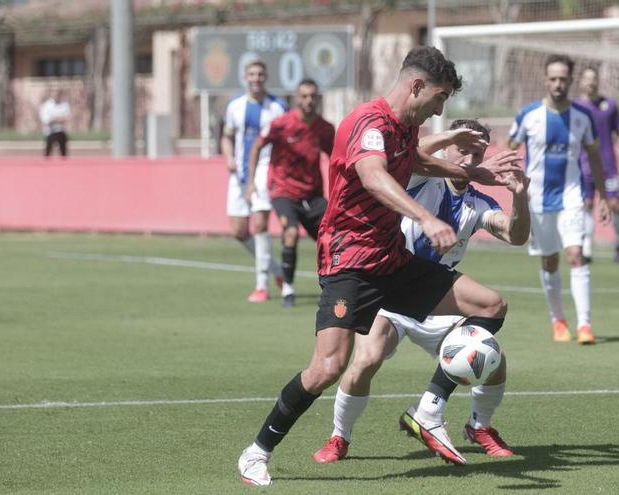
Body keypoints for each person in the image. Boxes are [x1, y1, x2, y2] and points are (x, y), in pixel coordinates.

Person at [236, 46, 523, 486]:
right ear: (416, 86)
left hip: (392, 260)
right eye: (440, 98)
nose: (440, 109)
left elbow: (417, 161)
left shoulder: (406, 128)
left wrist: (475, 174)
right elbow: (373, 175)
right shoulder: (368, 122)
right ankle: (257, 451)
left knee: (490, 305)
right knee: (328, 368)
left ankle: (429, 408)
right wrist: (424, 217)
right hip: (348, 262)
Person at [312, 118, 530, 466]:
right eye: (463, 150)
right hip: (394, 290)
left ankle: (478, 426)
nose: (470, 162)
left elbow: (516, 235)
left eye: (478, 154)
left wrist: (520, 198)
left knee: (492, 358)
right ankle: (340, 435)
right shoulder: (417, 177)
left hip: (439, 298)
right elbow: (414, 153)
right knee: (365, 361)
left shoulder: (478, 203)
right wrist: (445, 139)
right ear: (447, 148)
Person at [508, 54, 611, 346]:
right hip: (538, 200)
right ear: (545, 80)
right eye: (553, 78)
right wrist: (516, 192)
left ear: (570, 81)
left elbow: (595, 156)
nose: (558, 84)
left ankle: (585, 324)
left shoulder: (583, 117)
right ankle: (558, 321)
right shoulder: (528, 115)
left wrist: (603, 196)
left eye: (563, 79)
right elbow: (511, 149)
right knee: (550, 261)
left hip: (571, 197)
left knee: (576, 254)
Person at [246, 79, 335, 307]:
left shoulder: (324, 129)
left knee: (332, 238)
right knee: (291, 233)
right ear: (297, 98)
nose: (308, 101)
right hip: (283, 191)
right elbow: (257, 145)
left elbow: (336, 159)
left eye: (313, 96)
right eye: (304, 96)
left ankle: (332, 286)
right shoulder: (281, 124)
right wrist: (250, 182)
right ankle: (287, 287)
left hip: (313, 195)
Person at [221, 60, 286, 303]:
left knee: (259, 225)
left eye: (260, 74)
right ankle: (277, 271)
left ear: (266, 77)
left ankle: (262, 286)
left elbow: (288, 138)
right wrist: (228, 158)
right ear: (245, 77)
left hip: (264, 171)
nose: (256, 78)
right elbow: (227, 137)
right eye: (252, 74)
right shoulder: (234, 106)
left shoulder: (277, 107)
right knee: (239, 231)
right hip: (238, 174)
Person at [574, 66, 619, 263]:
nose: (591, 82)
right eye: (587, 78)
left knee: (615, 204)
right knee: (587, 204)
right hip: (583, 164)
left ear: (598, 81)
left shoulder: (610, 105)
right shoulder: (574, 107)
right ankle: (587, 248)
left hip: (608, 165)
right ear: (581, 81)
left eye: (594, 78)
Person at [39, 89, 70, 157]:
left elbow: (67, 118)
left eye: (57, 94)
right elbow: (46, 120)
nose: (56, 96)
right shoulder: (47, 106)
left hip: (61, 131)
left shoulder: (64, 105)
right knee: (48, 153)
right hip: (50, 132)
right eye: (54, 94)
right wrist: (58, 118)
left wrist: (54, 118)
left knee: (63, 153)